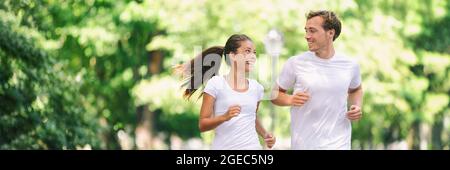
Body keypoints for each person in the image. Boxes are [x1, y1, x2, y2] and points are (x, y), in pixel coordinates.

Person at [271, 10, 363, 149]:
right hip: (305, 145)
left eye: (312, 31)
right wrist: (290, 99)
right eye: (306, 30)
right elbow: (274, 95)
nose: (307, 36)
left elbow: (356, 89)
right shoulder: (296, 63)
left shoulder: (350, 65)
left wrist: (356, 106)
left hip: (339, 144)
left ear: (330, 33)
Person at [178, 34, 276, 150]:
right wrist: (224, 117)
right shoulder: (216, 84)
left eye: (254, 52)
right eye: (247, 51)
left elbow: (252, 117)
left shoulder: (257, 88)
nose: (253, 56)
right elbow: (203, 125)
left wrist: (265, 135)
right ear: (233, 56)